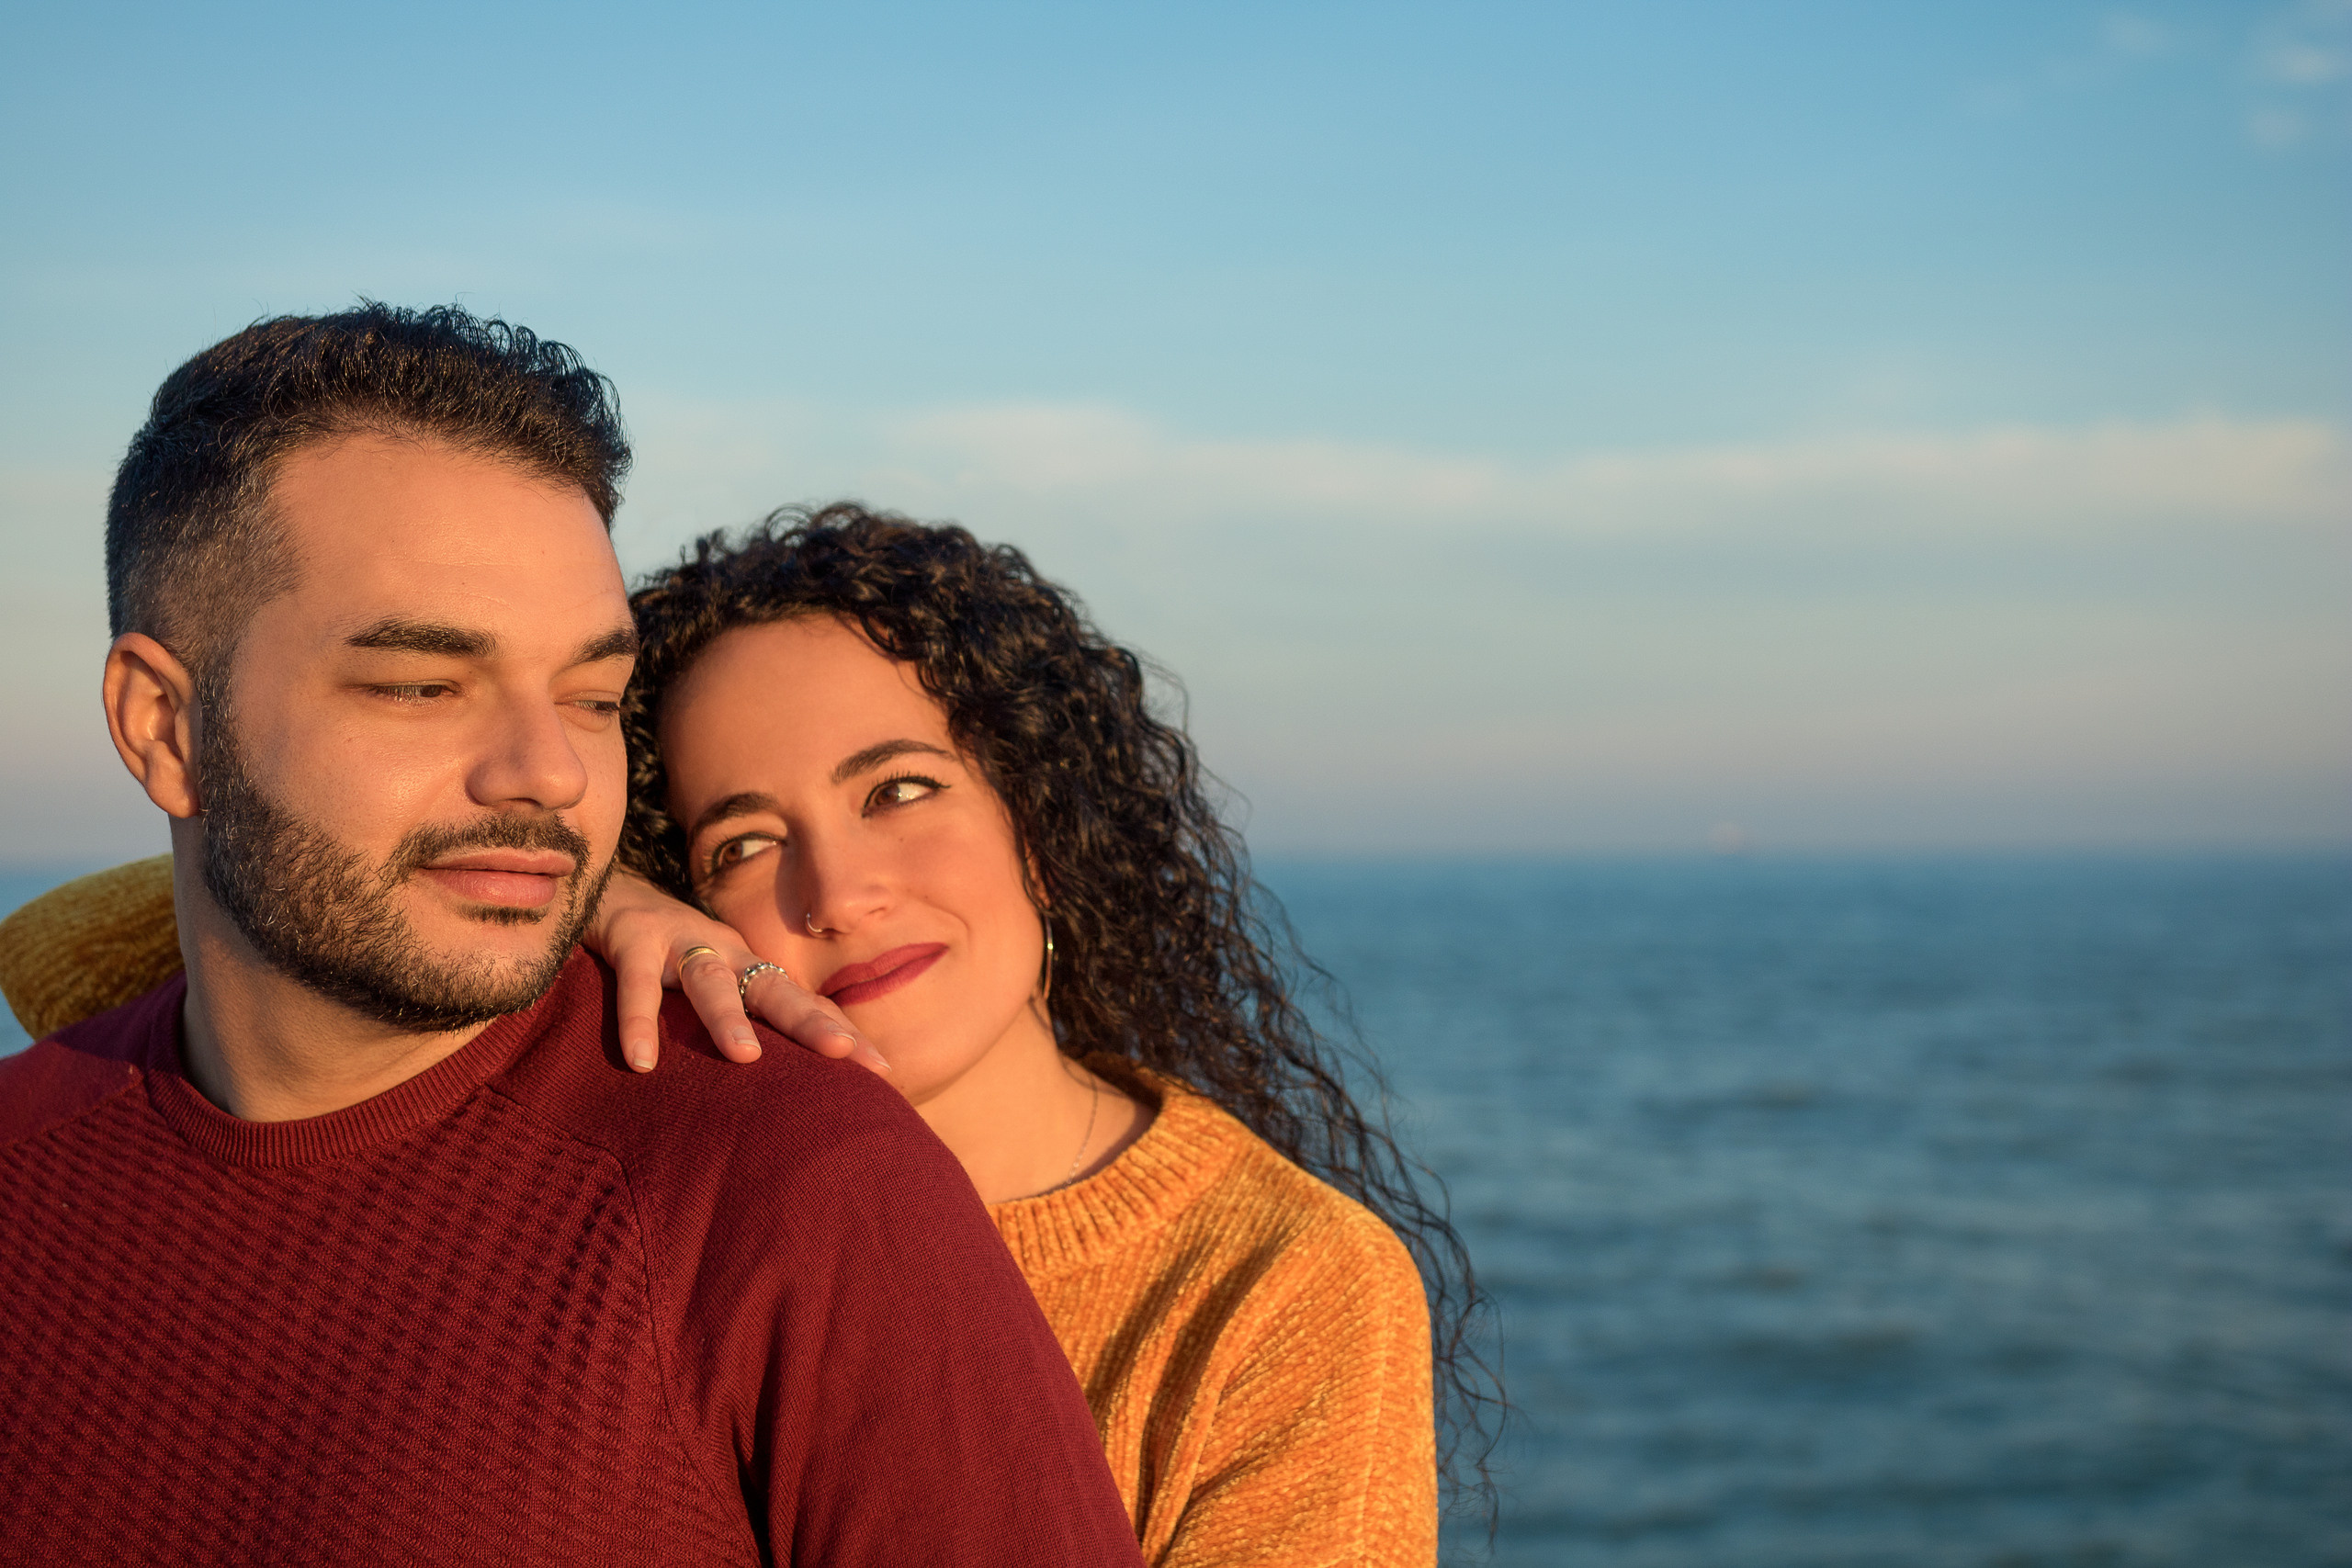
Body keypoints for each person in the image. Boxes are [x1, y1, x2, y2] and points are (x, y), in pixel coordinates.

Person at [6, 502, 1501, 1564]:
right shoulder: (692, 1154)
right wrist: (587, 897)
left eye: (900, 790)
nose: (838, 892)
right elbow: (104, 946)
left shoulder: (1277, 1285)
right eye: (736, 841)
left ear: (1043, 814)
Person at [0, 306, 1143, 1566]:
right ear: (165, 728)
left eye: (591, 698)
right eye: (421, 687)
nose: (545, 773)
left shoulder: (796, 1194)